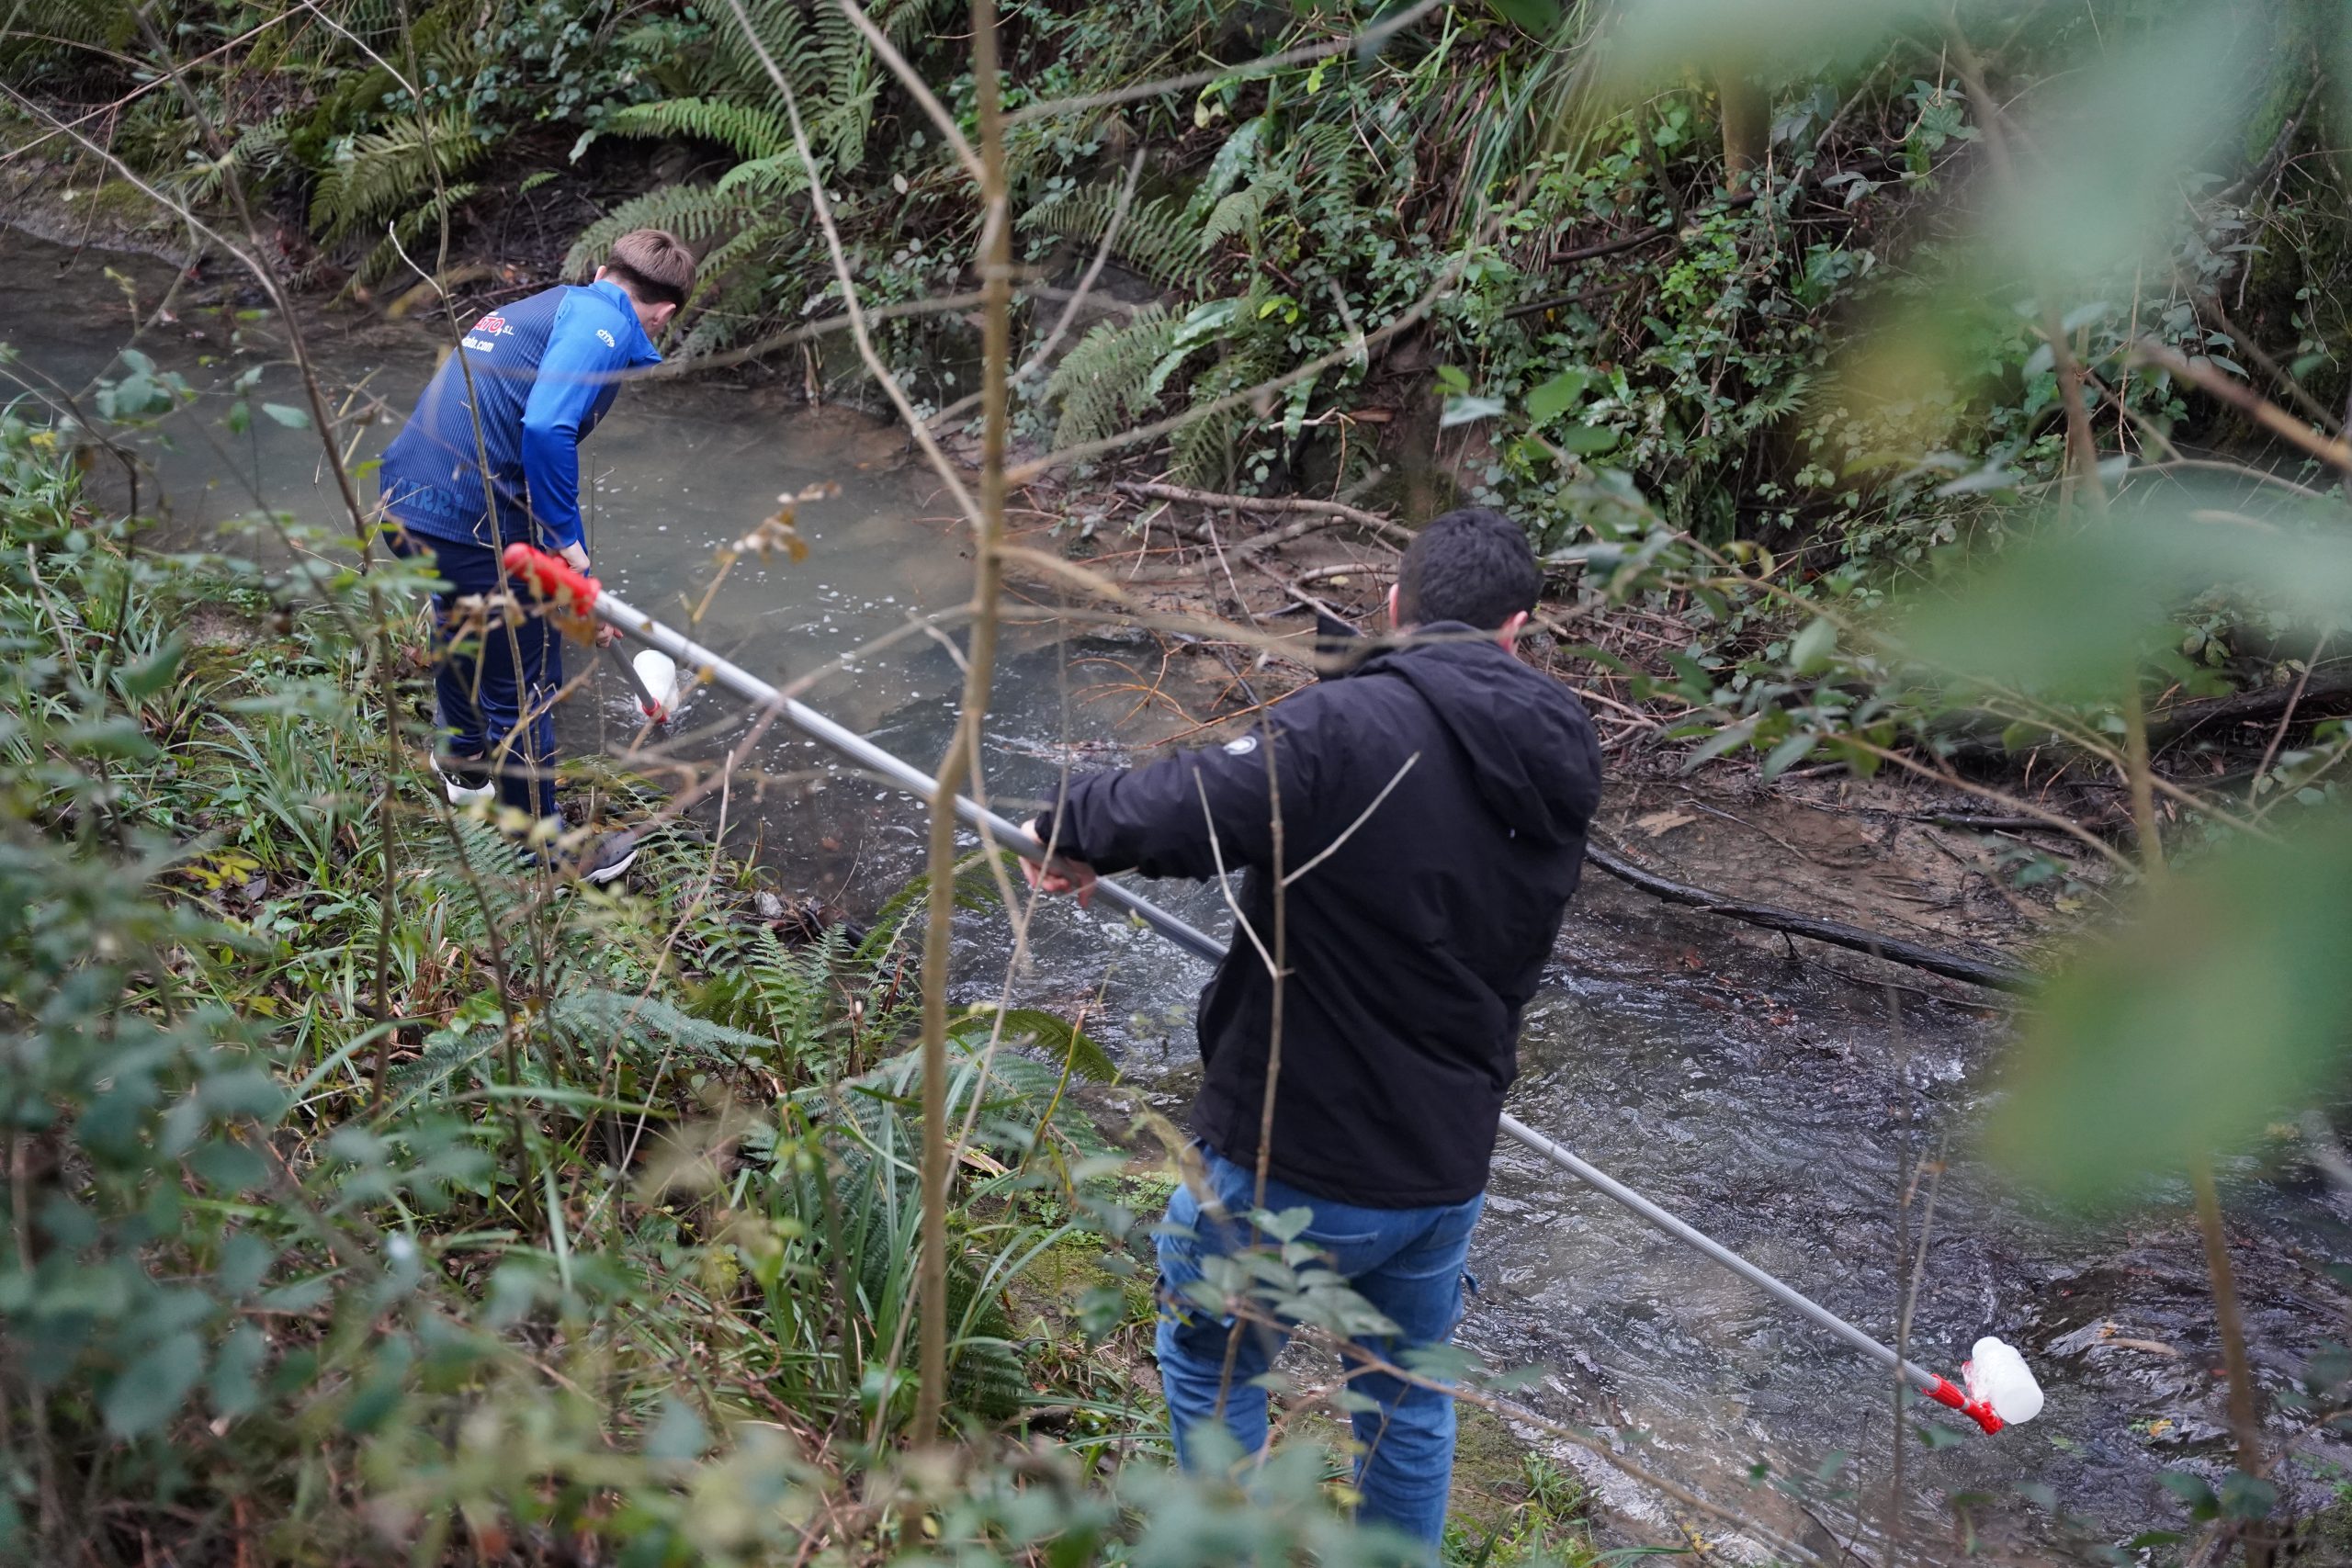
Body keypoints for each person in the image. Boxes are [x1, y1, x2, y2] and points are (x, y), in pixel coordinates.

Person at [1023, 507, 1602, 1552]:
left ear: (1393, 605)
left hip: (1295, 1153)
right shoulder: (1561, 754)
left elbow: (1193, 802)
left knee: (1213, 1362)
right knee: (1406, 1397)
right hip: (1442, 1169)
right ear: (1518, 628)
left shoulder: (1352, 730)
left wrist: (1067, 826)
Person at [376, 228, 696, 884]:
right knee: (526, 686)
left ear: (604, 267)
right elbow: (547, 428)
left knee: (463, 619)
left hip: (405, 502)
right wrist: (573, 556)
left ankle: (463, 766)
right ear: (663, 314)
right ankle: (540, 855)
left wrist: (562, 575)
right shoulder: (602, 326)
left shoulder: (548, 308)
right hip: (468, 519)